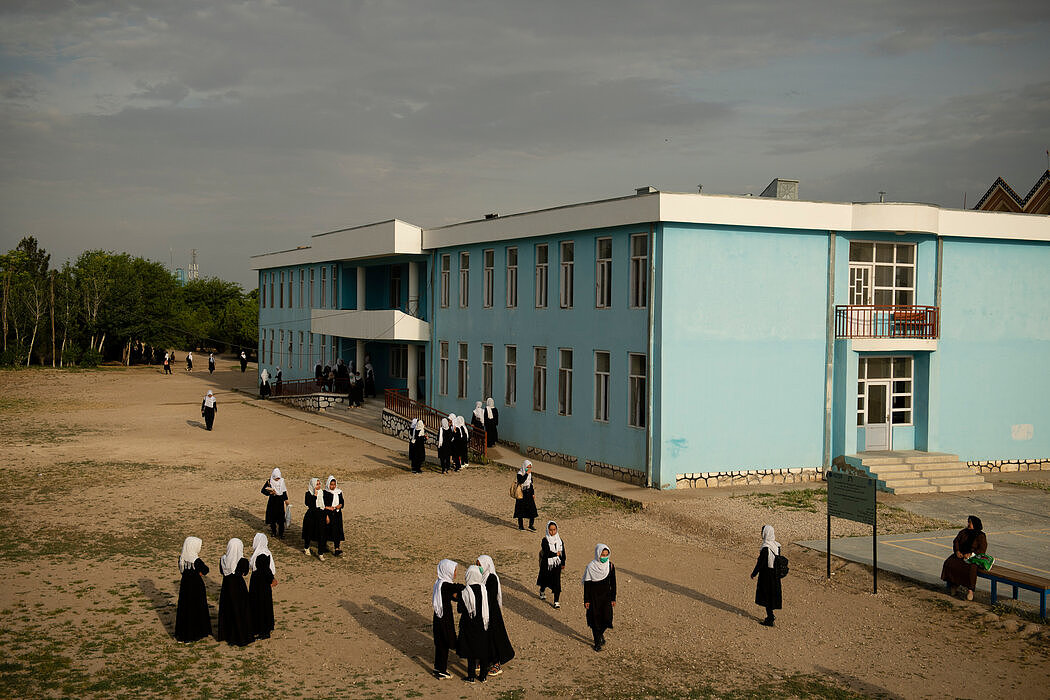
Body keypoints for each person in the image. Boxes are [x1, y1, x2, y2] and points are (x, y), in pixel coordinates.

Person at [477, 555, 514, 676]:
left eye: (480, 565)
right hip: (484, 611)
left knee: (494, 637)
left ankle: (497, 663)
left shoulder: (492, 578)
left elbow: (490, 596)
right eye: (477, 565)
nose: (478, 567)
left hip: (492, 613)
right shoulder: (481, 577)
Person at [941, 515, 987, 601]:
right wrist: (957, 551)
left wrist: (971, 554)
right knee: (950, 563)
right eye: (968, 522)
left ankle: (970, 590)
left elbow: (982, 549)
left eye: (970, 522)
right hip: (961, 554)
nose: (968, 524)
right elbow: (956, 541)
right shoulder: (963, 532)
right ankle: (954, 585)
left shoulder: (981, 536)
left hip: (973, 557)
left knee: (971, 568)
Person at [217, 538, 253, 646]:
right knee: (240, 610)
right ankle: (240, 636)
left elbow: (221, 571)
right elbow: (245, 573)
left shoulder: (223, 559)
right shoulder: (242, 561)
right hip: (239, 588)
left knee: (228, 609)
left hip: (226, 587)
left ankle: (227, 635)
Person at [457, 564, 490, 683]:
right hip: (483, 623)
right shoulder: (483, 589)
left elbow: (460, 609)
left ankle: (471, 676)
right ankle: (483, 676)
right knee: (483, 650)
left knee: (470, 651)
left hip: (468, 624)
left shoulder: (465, 592)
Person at [174, 536, 211, 642]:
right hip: (196, 587)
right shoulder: (196, 560)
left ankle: (183, 635)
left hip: (185, 585)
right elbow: (205, 570)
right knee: (196, 608)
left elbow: (182, 571)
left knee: (185, 608)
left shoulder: (182, 558)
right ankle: (196, 633)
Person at [432, 559, 463, 680]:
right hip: (444, 618)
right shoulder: (445, 585)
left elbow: (452, 596)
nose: (455, 574)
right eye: (454, 571)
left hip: (439, 617)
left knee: (440, 644)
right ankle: (442, 670)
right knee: (445, 643)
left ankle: (438, 668)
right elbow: (458, 587)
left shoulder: (439, 583)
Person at [582, 543, 616, 651]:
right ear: (598, 554)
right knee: (595, 620)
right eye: (602, 555)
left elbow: (613, 583)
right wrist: (586, 600)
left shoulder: (610, 566)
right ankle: (597, 643)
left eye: (606, 555)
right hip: (594, 598)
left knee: (607, 618)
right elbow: (587, 584)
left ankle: (600, 634)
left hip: (606, 597)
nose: (604, 557)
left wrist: (613, 598)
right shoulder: (591, 567)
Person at [750, 524, 782, 627]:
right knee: (772, 596)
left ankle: (770, 618)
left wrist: (754, 573)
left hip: (766, 576)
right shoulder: (777, 546)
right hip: (775, 575)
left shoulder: (765, 548)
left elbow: (760, 563)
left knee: (767, 596)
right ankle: (770, 615)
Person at [248, 533, 277, 639]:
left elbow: (262, 569)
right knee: (263, 605)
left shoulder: (260, 554)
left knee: (259, 605)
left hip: (259, 583)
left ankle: (262, 629)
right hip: (262, 583)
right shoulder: (265, 552)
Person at [537, 520, 565, 608]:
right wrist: (556, 554)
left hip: (557, 564)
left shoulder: (560, 540)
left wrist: (563, 562)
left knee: (557, 582)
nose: (552, 532)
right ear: (547, 530)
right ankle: (542, 591)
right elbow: (547, 552)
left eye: (554, 530)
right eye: (550, 530)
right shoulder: (545, 540)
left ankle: (556, 601)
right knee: (545, 580)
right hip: (546, 564)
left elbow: (563, 552)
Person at [302, 477, 327, 561]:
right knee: (309, 532)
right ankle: (306, 547)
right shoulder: (308, 494)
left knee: (321, 534)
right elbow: (309, 504)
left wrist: (326, 515)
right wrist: (314, 496)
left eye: (319, 484)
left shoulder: (322, 493)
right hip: (311, 515)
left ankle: (320, 553)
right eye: (317, 484)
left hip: (321, 514)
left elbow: (324, 505)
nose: (319, 486)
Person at [261, 468, 289, 538]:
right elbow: (263, 491)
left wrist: (286, 500)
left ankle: (281, 533)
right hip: (272, 501)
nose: (277, 479)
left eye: (278, 478)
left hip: (280, 501)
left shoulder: (282, 481)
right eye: (276, 478)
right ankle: (273, 532)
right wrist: (270, 492)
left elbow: (283, 491)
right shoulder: (269, 482)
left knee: (281, 518)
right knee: (272, 518)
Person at [322, 475, 345, 557]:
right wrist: (326, 513)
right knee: (326, 530)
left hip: (337, 514)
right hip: (328, 513)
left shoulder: (339, 492)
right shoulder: (325, 492)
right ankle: (323, 546)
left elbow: (342, 502)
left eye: (334, 484)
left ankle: (337, 548)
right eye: (331, 484)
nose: (333, 486)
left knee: (337, 530)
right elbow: (322, 504)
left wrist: (340, 505)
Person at [514, 461, 538, 531]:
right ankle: (520, 526)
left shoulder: (530, 474)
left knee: (532, 509)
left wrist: (533, 493)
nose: (529, 469)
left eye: (530, 467)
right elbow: (521, 481)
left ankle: (531, 525)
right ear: (525, 466)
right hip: (521, 493)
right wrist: (526, 474)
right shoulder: (520, 473)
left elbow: (531, 484)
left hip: (529, 493)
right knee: (520, 510)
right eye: (528, 467)